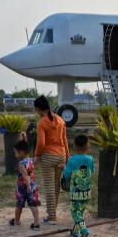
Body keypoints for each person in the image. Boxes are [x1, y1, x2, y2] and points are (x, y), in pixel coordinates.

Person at [34, 95, 69, 224]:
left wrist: (37, 154)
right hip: (61, 155)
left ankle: (52, 217)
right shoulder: (60, 120)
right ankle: (52, 211)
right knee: (56, 185)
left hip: (48, 156)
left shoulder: (42, 123)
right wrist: (67, 157)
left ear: (38, 109)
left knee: (49, 186)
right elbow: (65, 140)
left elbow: (41, 142)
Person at [63, 134, 95, 237]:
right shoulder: (90, 159)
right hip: (86, 192)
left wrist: (64, 169)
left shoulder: (71, 160)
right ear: (88, 147)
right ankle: (75, 232)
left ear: (74, 147)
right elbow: (92, 171)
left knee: (75, 213)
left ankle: (84, 231)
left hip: (75, 193)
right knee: (80, 211)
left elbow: (67, 175)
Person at [9, 139, 41, 230]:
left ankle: (17, 221)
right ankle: (36, 223)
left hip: (23, 187)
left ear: (21, 153)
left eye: (16, 153)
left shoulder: (21, 164)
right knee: (33, 205)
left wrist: (27, 186)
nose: (15, 155)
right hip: (33, 185)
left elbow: (25, 175)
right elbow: (38, 158)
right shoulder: (31, 160)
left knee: (19, 205)